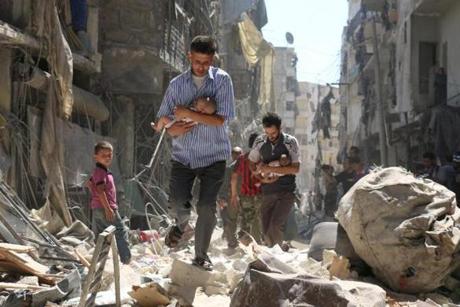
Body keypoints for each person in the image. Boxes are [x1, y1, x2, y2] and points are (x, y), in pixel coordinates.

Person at [155, 35, 235, 271]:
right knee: (179, 203)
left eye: (206, 62)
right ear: (189, 57)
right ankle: (180, 225)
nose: (201, 66)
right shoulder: (176, 85)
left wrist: (185, 113)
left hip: (214, 156)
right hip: (184, 156)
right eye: (197, 61)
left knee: (207, 207)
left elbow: (221, 120)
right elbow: (164, 120)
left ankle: (201, 255)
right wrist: (174, 126)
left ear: (213, 60)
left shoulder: (222, 81)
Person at [249, 113, 300, 248]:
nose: (270, 136)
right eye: (267, 133)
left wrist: (272, 169)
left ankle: (276, 255)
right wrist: (261, 176)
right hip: (268, 191)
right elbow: (252, 163)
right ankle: (277, 250)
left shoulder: (291, 142)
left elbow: (295, 168)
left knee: (276, 224)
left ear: (280, 128)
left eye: (273, 133)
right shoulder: (260, 141)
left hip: (286, 191)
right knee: (265, 228)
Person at [87, 141, 131, 264]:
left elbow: (90, 184)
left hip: (98, 208)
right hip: (106, 207)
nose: (107, 158)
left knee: (104, 236)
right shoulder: (100, 172)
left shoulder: (100, 171)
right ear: (95, 156)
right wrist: (107, 208)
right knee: (120, 231)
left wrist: (96, 199)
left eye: (109, 155)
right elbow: (101, 191)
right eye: (103, 155)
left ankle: (101, 261)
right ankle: (126, 259)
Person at [231, 133, 263, 243]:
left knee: (246, 220)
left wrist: (234, 194)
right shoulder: (263, 158)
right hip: (260, 195)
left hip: (246, 196)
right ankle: (257, 244)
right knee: (260, 221)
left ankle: (244, 243)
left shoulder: (242, 158)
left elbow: (234, 177)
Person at [217, 147, 242, 249]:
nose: (236, 156)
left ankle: (232, 241)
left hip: (236, 197)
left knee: (231, 219)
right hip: (234, 197)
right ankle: (231, 241)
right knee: (230, 219)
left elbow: (224, 184)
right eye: (235, 154)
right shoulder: (231, 168)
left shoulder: (233, 168)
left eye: (238, 154)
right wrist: (222, 198)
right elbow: (225, 184)